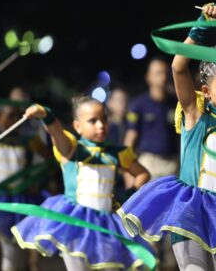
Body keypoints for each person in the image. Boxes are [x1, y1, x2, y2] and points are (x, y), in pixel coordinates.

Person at [118, 3, 216, 270]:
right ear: (206, 90)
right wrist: (202, 25)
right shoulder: (196, 114)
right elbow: (178, 67)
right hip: (189, 209)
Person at [11, 96, 152, 270]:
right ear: (77, 126)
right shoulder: (70, 149)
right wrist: (46, 115)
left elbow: (143, 174)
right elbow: (56, 132)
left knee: (110, 266)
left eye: (104, 119)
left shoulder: (118, 153)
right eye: (93, 121)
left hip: (106, 223)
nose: (101, 125)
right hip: (75, 223)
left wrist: (128, 195)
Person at [0, 104, 51, 271]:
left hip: (23, 199)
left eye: (16, 116)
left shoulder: (29, 142)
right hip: (0, 201)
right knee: (9, 250)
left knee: (22, 249)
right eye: (9, 116)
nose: (14, 120)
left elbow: (45, 162)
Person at [124, 57, 178, 182]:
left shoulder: (175, 103)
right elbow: (130, 138)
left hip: (172, 163)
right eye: (158, 73)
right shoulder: (138, 104)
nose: (163, 76)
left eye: (165, 72)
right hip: (148, 163)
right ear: (148, 77)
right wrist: (128, 170)